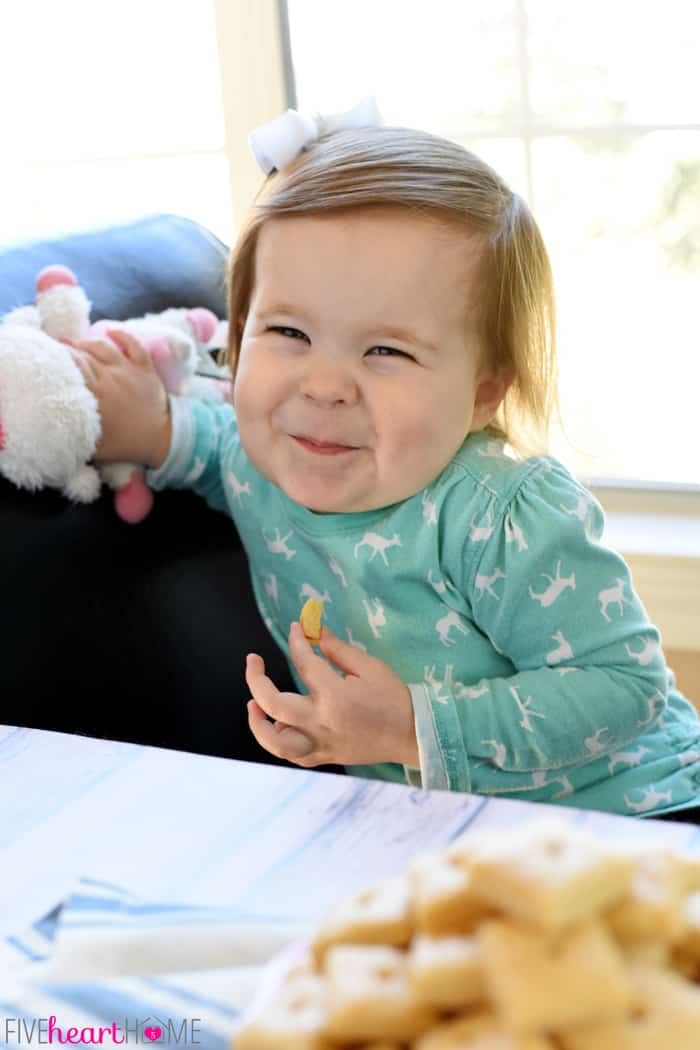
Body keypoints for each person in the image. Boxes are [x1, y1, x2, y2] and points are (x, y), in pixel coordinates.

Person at [67, 100, 700, 820]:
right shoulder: (264, 455)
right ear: (239, 334)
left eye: (386, 350)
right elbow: (212, 449)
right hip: (443, 832)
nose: (325, 385)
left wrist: (408, 726)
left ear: (484, 390)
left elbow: (624, 684)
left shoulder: (500, 514)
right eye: (288, 332)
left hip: (641, 818)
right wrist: (150, 428)